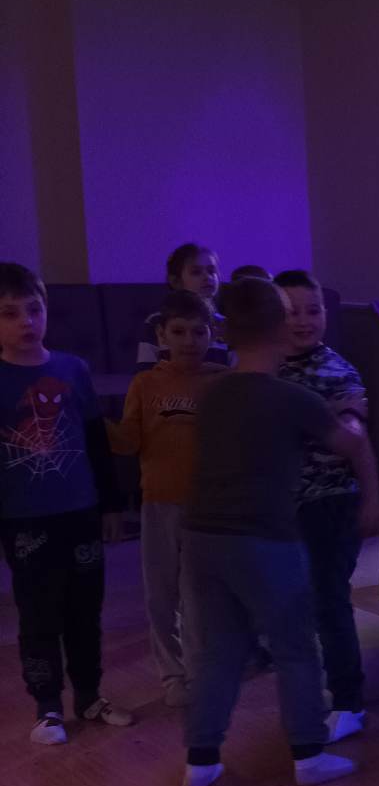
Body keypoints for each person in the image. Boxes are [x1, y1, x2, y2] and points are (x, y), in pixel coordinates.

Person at [179, 276, 379, 786]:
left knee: (220, 649)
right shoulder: (293, 398)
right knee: (295, 646)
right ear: (278, 327)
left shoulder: (212, 393)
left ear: (226, 331)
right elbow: (348, 443)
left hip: (202, 536)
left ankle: (201, 761)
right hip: (265, 536)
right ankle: (309, 754)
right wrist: (353, 412)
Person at [0, 261, 135, 744]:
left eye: (33, 309)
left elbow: (96, 441)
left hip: (80, 512)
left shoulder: (73, 369)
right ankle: (47, 707)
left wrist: (111, 505)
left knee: (85, 609)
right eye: (10, 313)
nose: (26, 322)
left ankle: (90, 695)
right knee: (38, 613)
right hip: (23, 519)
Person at [107, 288, 220, 704]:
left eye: (199, 331)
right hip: (157, 502)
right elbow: (128, 441)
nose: (190, 340)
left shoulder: (221, 381)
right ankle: (171, 676)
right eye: (179, 331)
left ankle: (197, 671)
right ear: (161, 335)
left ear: (212, 334)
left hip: (205, 508)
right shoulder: (146, 383)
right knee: (159, 594)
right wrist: (93, 422)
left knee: (196, 596)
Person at [275, 270, 371, 742]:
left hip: (332, 501)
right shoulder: (267, 369)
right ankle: (313, 689)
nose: (303, 320)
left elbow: (353, 439)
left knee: (329, 599)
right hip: (282, 505)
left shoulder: (337, 371)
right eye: (291, 311)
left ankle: (349, 700)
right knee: (297, 602)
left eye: (312, 310)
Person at [136, 242, 228, 367]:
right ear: (176, 281)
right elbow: (145, 370)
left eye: (211, 271)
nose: (207, 277)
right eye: (196, 272)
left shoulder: (224, 323)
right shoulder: (156, 321)